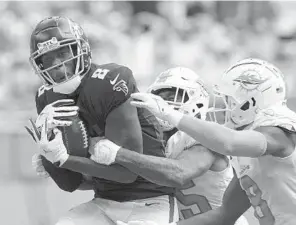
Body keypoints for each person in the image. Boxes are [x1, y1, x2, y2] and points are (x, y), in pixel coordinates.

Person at [26, 16, 177, 225]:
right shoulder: (47, 97)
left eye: (62, 53)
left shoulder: (109, 81)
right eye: (48, 60)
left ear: (82, 50)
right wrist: (52, 162)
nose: (58, 66)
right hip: (104, 200)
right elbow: (72, 184)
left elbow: (127, 174)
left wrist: (65, 159)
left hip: (149, 199)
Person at [128, 58, 296, 225]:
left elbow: (229, 142)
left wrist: (169, 113)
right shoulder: (248, 155)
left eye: (230, 99)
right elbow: (225, 214)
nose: (225, 105)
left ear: (252, 101)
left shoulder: (278, 130)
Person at [88, 67, 248, 225]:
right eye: (159, 96)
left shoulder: (203, 137)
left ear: (197, 102)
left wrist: (117, 153)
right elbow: (116, 181)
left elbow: (179, 173)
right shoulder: (150, 138)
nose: (163, 102)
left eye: (174, 96)